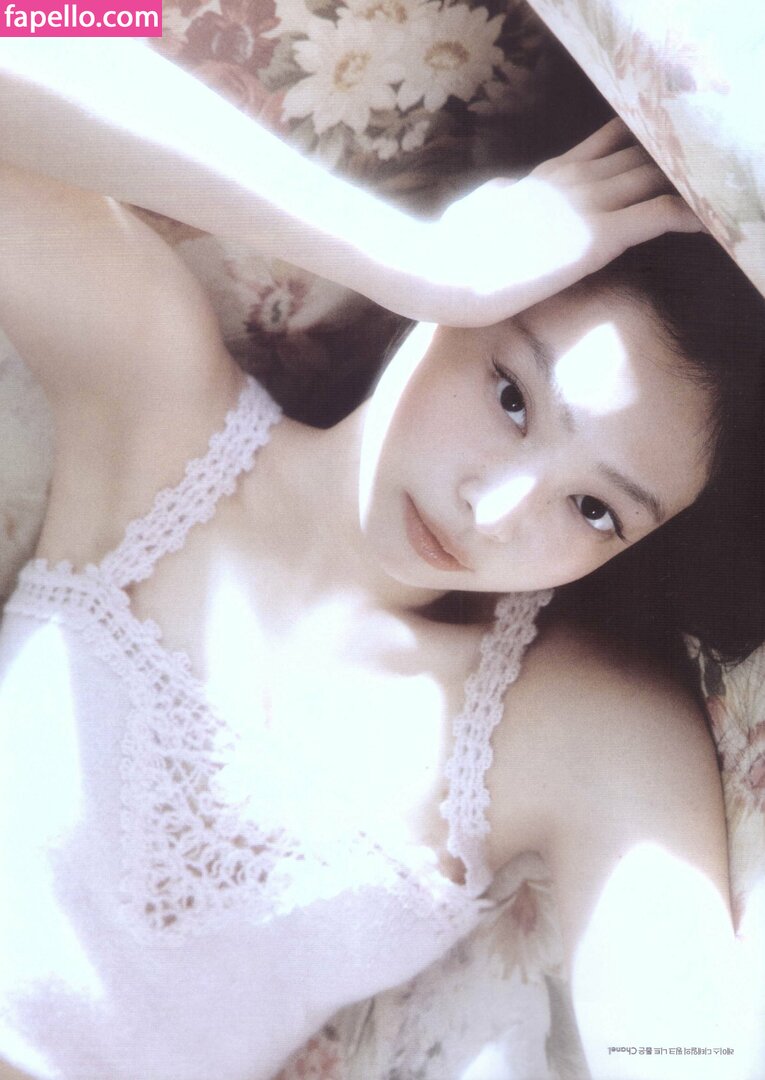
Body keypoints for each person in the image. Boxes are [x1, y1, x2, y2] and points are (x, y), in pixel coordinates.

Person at [0, 39, 763, 1080]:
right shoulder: (160, 416)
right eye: (510, 396)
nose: (492, 511)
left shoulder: (580, 727)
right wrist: (416, 259)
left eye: (593, 509)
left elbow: (685, 1054)